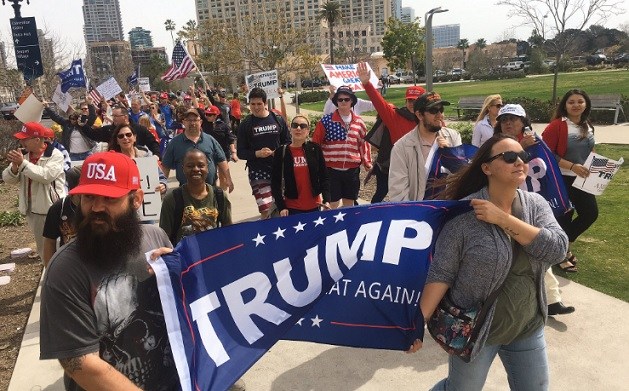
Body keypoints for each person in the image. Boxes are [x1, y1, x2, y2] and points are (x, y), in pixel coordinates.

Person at [408, 134, 568, 391]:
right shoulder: (464, 215)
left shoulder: (536, 205)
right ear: (486, 168)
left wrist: (503, 219)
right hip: (477, 332)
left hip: (527, 326)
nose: (519, 162)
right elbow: (442, 272)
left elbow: (558, 250)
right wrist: (415, 325)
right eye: (508, 157)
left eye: (523, 156)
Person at [39, 151, 179, 390]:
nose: (96, 208)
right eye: (89, 197)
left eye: (109, 198)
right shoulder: (65, 270)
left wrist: (182, 273)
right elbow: (80, 363)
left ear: (136, 199)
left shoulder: (156, 237)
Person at [495, 104, 576, 314]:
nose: (509, 123)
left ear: (523, 121)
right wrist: (521, 146)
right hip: (503, 204)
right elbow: (497, 164)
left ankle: (552, 299)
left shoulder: (534, 140)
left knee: (535, 248)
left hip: (528, 202)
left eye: (514, 119)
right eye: (504, 119)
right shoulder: (495, 144)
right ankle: (544, 299)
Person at [543, 89, 597, 271]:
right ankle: (562, 253)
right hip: (562, 178)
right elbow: (547, 153)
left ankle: (562, 245)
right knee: (565, 216)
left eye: (580, 101)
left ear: (586, 104)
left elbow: (590, 149)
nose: (576, 105)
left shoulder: (587, 125)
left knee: (590, 213)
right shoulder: (557, 125)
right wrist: (572, 166)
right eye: (571, 102)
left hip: (583, 178)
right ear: (564, 105)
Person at [356, 61, 424, 202]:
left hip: (420, 168)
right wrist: (367, 84)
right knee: (383, 194)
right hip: (392, 167)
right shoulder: (395, 117)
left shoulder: (429, 120)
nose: (412, 103)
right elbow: (379, 103)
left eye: (416, 100)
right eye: (409, 100)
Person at [2, 122, 66, 260]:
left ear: (37, 140)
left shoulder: (55, 155)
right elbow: (8, 179)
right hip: (32, 207)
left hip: (50, 207)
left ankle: (56, 273)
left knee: (60, 243)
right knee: (43, 245)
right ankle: (49, 271)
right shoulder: (24, 156)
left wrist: (23, 164)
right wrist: (14, 167)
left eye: (25, 139)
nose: (21, 142)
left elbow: (45, 176)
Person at [388, 92, 461, 202]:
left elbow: (463, 175)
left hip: (450, 210)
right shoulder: (401, 148)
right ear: (419, 115)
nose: (440, 115)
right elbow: (398, 192)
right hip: (420, 214)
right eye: (433, 111)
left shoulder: (453, 137)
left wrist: (450, 153)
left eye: (441, 109)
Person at [312, 85, 372, 208]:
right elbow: (316, 143)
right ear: (336, 102)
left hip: (352, 171)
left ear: (352, 101)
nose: (343, 102)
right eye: (340, 99)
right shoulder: (326, 121)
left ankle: (347, 226)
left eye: (347, 99)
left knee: (349, 204)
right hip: (331, 170)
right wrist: (316, 164)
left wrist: (367, 162)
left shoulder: (359, 122)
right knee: (332, 204)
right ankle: (331, 227)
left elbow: (363, 143)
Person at [237, 87, 291, 218]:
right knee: (266, 209)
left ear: (265, 103)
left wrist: (277, 152)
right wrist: (257, 154)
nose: (256, 107)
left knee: (284, 209)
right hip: (258, 172)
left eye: (259, 104)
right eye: (252, 104)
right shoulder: (245, 125)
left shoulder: (277, 119)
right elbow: (240, 152)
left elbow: (288, 142)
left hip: (280, 170)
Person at [160, 149, 232, 245]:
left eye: (201, 165)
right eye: (190, 166)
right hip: (184, 257)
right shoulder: (172, 199)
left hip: (212, 255)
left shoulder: (219, 196)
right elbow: (164, 237)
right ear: (183, 168)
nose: (196, 169)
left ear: (208, 168)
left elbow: (228, 230)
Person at [271, 115, 330, 216]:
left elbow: (324, 176)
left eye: (302, 126)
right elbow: (275, 183)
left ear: (307, 131)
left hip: (315, 206)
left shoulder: (315, 149)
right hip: (291, 208)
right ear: (290, 129)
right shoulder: (281, 152)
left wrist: (327, 199)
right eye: (295, 125)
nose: (298, 128)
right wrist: (281, 206)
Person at [162, 109, 234, 191]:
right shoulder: (175, 143)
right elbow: (166, 166)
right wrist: (163, 183)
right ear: (183, 122)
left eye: (195, 120)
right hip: (185, 192)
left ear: (201, 122)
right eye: (188, 120)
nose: (192, 123)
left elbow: (222, 160)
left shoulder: (210, 140)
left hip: (210, 191)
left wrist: (228, 179)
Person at [107, 124, 167, 196]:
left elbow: (161, 177)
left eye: (128, 134)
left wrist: (163, 185)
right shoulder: (113, 161)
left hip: (148, 202)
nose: (125, 138)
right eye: (121, 136)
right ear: (117, 141)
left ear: (134, 137)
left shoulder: (146, 156)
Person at [42, 166, 81, 267]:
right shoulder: (59, 208)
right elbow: (50, 241)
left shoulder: (97, 207)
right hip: (69, 263)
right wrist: (49, 269)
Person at [85, 106, 161, 158]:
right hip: (116, 163)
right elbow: (93, 134)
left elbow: (153, 143)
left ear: (125, 117)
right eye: (120, 136)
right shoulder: (108, 130)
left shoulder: (140, 129)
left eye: (116, 116)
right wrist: (83, 126)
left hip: (137, 161)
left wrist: (157, 155)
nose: (113, 118)